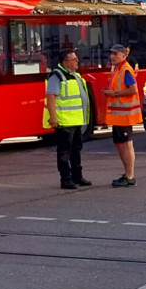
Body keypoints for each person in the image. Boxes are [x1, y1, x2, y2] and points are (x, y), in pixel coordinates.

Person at [43, 48, 90, 190]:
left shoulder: (75, 75)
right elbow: (50, 97)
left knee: (76, 149)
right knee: (64, 152)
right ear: (65, 62)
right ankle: (66, 179)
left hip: (76, 120)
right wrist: (53, 118)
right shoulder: (57, 76)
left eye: (77, 59)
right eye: (74, 60)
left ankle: (77, 176)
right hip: (64, 121)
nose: (77, 61)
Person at [101, 43, 142, 187]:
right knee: (121, 144)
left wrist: (114, 93)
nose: (112, 56)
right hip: (119, 116)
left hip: (124, 115)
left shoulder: (125, 69)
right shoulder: (119, 69)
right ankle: (127, 174)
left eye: (115, 54)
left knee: (126, 145)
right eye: (111, 54)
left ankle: (130, 176)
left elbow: (133, 89)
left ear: (124, 55)